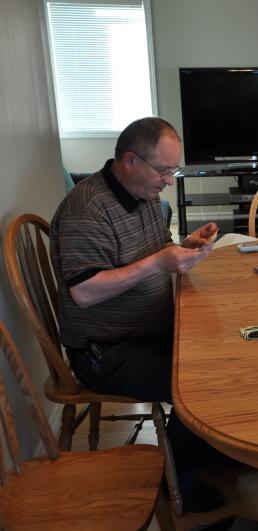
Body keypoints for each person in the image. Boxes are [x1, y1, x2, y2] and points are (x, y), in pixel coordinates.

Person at [50, 117, 223, 512]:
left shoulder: (141, 195)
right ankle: (177, 483)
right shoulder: (87, 209)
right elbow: (85, 291)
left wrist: (184, 247)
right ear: (130, 160)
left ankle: (207, 443)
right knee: (202, 385)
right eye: (163, 170)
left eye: (172, 170)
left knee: (227, 349)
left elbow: (153, 252)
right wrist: (160, 263)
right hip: (105, 352)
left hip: (147, 329)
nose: (168, 181)